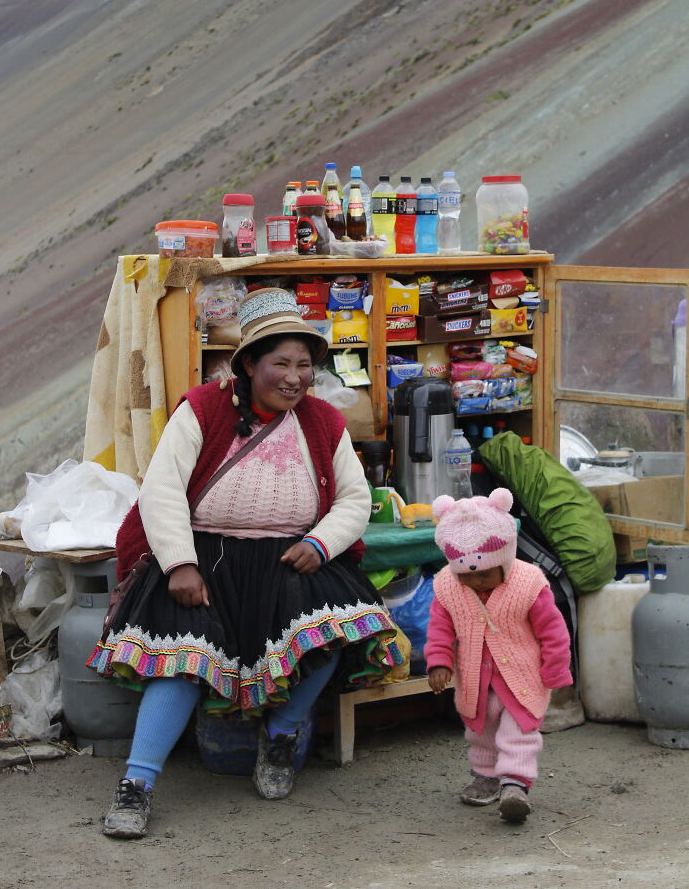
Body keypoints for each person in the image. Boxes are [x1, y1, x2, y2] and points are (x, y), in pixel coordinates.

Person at [88, 287, 403, 838]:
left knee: (334, 629)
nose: (294, 378)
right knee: (182, 658)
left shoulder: (323, 421)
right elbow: (162, 489)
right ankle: (136, 784)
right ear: (249, 364)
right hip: (204, 557)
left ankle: (280, 735)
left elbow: (354, 498)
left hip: (289, 557)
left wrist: (322, 544)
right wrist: (179, 564)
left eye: (304, 365)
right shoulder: (202, 409)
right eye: (281, 363)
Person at [425, 487, 572, 823]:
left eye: (485, 573)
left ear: (504, 559)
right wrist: (439, 661)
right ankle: (486, 776)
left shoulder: (528, 584)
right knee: (481, 730)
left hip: (522, 677)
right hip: (476, 678)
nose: (476, 581)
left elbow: (552, 630)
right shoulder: (447, 587)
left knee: (517, 731)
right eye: (467, 575)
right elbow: (439, 629)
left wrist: (555, 668)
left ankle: (515, 785)